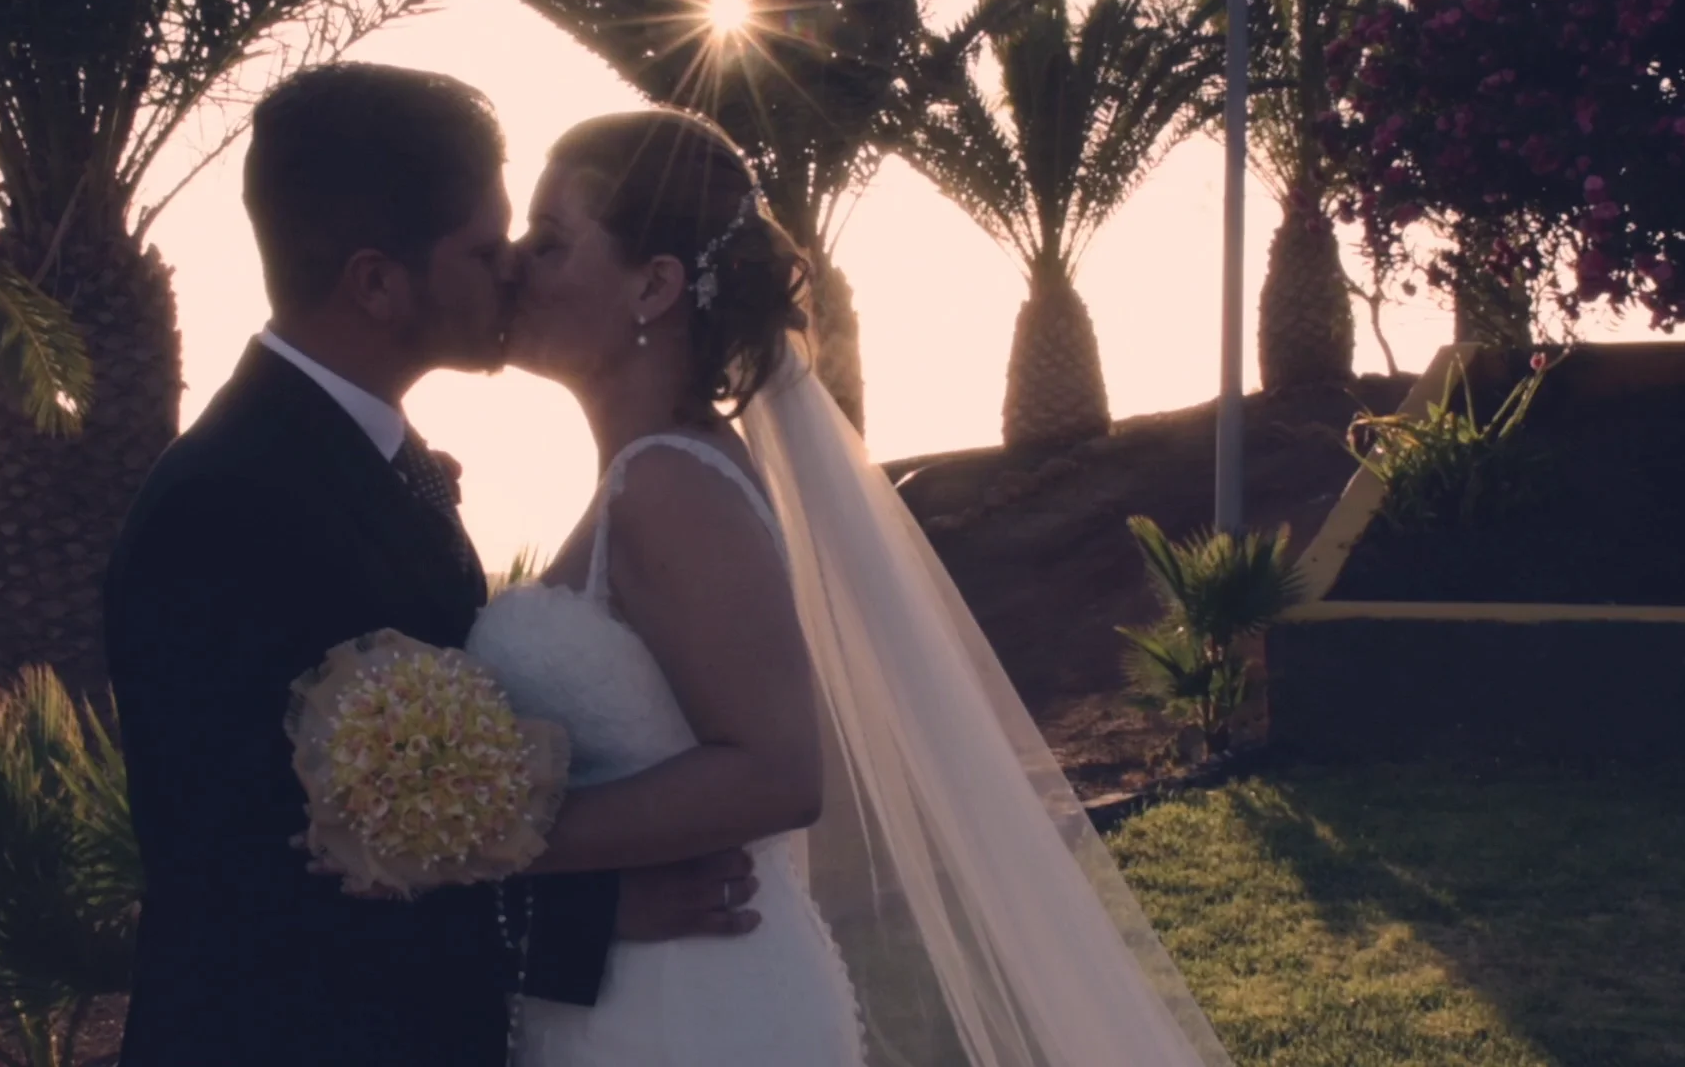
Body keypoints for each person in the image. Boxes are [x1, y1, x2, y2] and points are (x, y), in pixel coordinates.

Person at [433, 108, 1240, 1066]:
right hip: (644, 988)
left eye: (551, 240)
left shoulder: (668, 486)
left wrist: (486, 838)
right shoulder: (651, 476)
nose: (517, 263)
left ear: (652, 286)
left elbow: (778, 772)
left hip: (687, 1012)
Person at [101, 67, 760, 1067]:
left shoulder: (370, 455)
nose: (514, 275)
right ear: (377, 281)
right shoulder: (223, 504)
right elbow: (246, 873)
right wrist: (583, 915)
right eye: (487, 250)